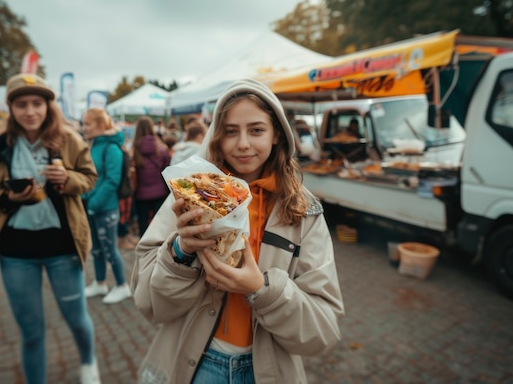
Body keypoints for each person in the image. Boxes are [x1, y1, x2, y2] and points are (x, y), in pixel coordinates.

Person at [131, 79, 344, 384]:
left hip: (267, 371)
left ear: (276, 136)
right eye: (231, 131)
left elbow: (322, 332)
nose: (243, 143)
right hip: (197, 365)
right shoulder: (189, 194)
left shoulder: (303, 212)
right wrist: (180, 252)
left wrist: (262, 290)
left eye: (256, 130)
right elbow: (149, 304)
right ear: (217, 137)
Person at [0, 74, 101, 384]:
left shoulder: (68, 139)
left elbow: (89, 177)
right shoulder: (0, 146)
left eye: (37, 103)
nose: (30, 111)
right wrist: (7, 197)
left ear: (48, 106)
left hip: (62, 247)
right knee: (31, 332)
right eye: (21, 105)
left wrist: (66, 179)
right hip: (16, 252)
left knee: (76, 319)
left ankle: (88, 362)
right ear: (12, 109)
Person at [81, 108, 132, 304]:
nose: (84, 127)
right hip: (92, 206)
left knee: (110, 249)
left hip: (105, 207)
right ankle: (100, 283)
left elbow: (112, 180)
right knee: (96, 249)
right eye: (84, 123)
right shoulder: (94, 145)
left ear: (101, 126)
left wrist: (93, 202)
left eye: (88, 124)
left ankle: (122, 286)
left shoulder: (110, 147)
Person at [130, 116, 171, 236]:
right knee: (161, 225)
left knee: (143, 225)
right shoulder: (162, 149)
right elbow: (166, 169)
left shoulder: (133, 151)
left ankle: (144, 251)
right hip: (159, 192)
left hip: (140, 195)